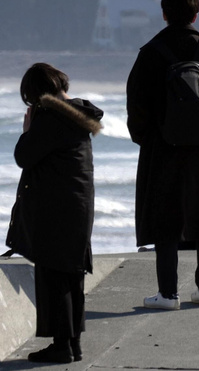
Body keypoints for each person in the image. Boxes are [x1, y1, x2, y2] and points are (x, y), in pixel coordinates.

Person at [127, 0, 199, 310]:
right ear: (195, 14)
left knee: (165, 218)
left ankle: (168, 294)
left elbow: (136, 103)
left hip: (164, 147)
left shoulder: (151, 52)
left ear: (164, 13)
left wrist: (147, 137)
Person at [6, 64, 101, 363]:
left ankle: (62, 347)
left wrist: (26, 131)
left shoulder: (50, 116)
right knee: (72, 275)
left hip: (56, 208)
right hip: (79, 204)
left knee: (54, 276)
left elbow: (24, 156)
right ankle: (72, 344)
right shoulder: (76, 116)